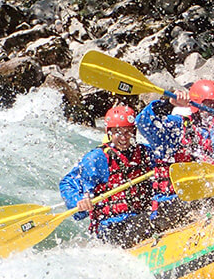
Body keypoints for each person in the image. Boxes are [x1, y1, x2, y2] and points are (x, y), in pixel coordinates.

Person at [59, 104, 179, 247]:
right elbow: (67, 183)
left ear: (135, 132)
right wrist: (79, 200)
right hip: (112, 227)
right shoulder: (98, 158)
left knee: (171, 211)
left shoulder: (145, 153)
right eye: (117, 132)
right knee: (151, 222)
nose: (123, 137)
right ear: (109, 133)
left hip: (140, 216)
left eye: (128, 132)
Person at [135, 79, 214, 164]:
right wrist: (168, 104)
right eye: (211, 104)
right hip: (175, 176)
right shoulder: (179, 125)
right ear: (197, 104)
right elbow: (143, 122)